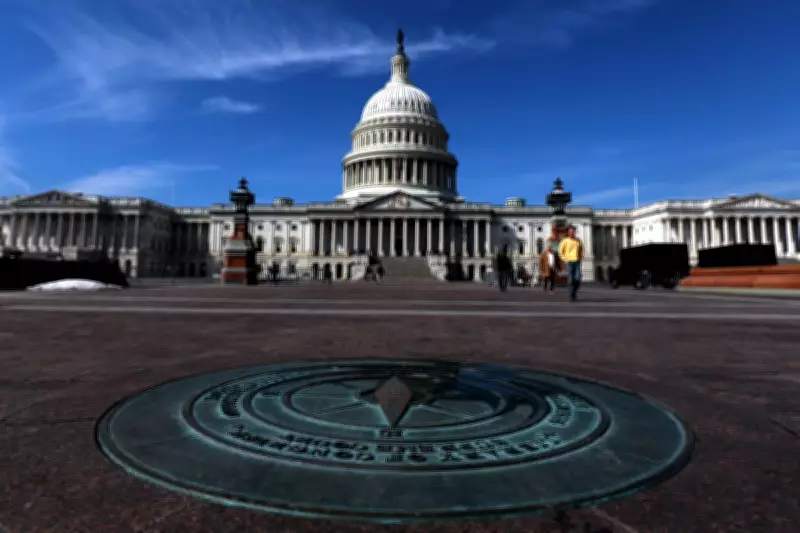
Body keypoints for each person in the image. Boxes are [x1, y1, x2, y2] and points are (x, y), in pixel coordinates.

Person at [558, 226, 584, 301]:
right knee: (570, 280)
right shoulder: (565, 241)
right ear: (568, 232)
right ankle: (571, 295)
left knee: (578, 279)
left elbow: (582, 249)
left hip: (577, 261)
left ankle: (573, 292)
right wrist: (564, 259)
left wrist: (581, 256)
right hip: (569, 262)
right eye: (571, 231)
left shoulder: (578, 240)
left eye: (573, 231)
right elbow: (560, 251)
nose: (572, 233)